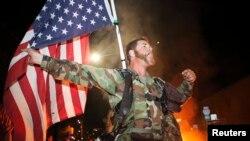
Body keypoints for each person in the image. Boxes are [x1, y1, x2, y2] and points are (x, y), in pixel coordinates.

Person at [24, 36, 196, 141]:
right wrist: (43, 60)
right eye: (145, 46)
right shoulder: (120, 78)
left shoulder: (159, 83)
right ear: (131, 54)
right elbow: (83, 72)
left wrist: (188, 82)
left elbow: (179, 99)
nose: (150, 48)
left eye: (150, 46)